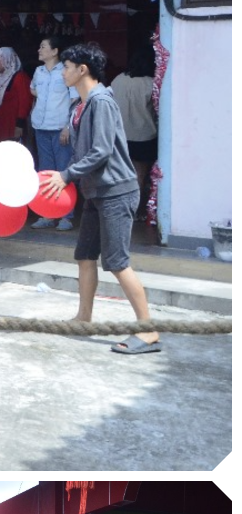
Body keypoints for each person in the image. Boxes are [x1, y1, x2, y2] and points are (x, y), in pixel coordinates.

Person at [38, 42, 162, 355]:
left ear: (82, 70)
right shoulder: (80, 105)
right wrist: (69, 176)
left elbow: (102, 150)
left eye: (67, 67)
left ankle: (148, 330)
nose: (63, 72)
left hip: (116, 191)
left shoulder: (101, 101)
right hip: (95, 192)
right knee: (84, 255)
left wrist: (66, 175)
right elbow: (84, 151)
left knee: (117, 262)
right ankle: (84, 318)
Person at [29, 36, 79, 231]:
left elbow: (74, 100)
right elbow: (33, 89)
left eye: (43, 47)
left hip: (60, 128)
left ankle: (66, 216)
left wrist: (67, 126)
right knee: (45, 172)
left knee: (63, 171)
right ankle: (47, 214)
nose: (39, 50)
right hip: (40, 126)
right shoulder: (38, 71)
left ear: (55, 51)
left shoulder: (65, 71)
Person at [110, 47, 158, 206]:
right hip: (144, 137)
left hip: (119, 136)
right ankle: (134, 209)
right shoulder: (151, 83)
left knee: (121, 175)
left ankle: (119, 207)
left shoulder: (118, 80)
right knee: (139, 175)